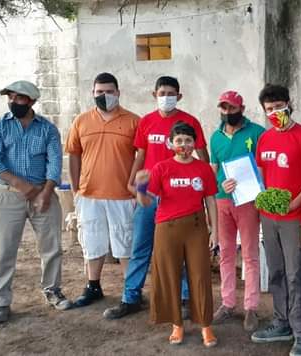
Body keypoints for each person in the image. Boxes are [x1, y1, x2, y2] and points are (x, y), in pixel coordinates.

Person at [104, 76, 210, 319]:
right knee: (140, 245)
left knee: (180, 249)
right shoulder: (147, 122)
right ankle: (130, 297)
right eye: (162, 92)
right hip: (150, 195)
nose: (166, 97)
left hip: (180, 196)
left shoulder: (190, 122)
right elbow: (140, 154)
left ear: (179, 96)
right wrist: (132, 183)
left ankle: (184, 298)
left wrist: (203, 190)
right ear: (154, 94)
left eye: (171, 93)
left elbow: (203, 157)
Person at [0, 80, 71, 324]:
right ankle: (1, 302)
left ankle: (52, 290)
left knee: (52, 247)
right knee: (4, 250)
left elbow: (54, 163)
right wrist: (24, 187)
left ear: (31, 101)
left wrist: (44, 193)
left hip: (44, 193)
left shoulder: (47, 129)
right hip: (9, 195)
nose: (13, 102)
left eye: (19, 98)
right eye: (10, 97)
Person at [134, 121, 219, 346]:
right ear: (171, 144)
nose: (184, 145)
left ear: (195, 143)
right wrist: (141, 187)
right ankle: (177, 324)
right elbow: (146, 201)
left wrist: (215, 231)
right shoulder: (162, 168)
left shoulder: (203, 169)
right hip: (167, 228)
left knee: (200, 276)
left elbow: (210, 199)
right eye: (179, 141)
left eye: (188, 140)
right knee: (169, 274)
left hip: (196, 227)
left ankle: (205, 326)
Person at [251, 84, 301, 356]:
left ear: (289, 104)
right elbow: (259, 175)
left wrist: (294, 203)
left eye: (279, 107)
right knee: (277, 272)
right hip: (269, 218)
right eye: (269, 109)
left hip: (295, 218)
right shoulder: (265, 139)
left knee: (297, 275)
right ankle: (281, 322)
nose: (275, 112)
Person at [66, 72, 140, 307]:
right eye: (100, 92)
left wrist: (138, 189)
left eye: (109, 91)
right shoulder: (81, 121)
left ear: (118, 92)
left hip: (123, 195)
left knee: (125, 244)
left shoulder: (133, 121)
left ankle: (131, 291)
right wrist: (76, 190)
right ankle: (93, 286)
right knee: (92, 241)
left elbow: (143, 158)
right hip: (89, 195)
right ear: (93, 93)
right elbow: (74, 156)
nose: (104, 95)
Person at [209, 90, 265, 331]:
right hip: (223, 201)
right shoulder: (215, 137)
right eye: (223, 108)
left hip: (248, 202)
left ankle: (251, 307)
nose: (227, 112)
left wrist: (255, 183)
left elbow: (263, 166)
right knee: (226, 253)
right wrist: (220, 185)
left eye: (231, 108)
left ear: (241, 109)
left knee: (250, 254)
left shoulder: (257, 133)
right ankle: (228, 303)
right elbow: (213, 170)